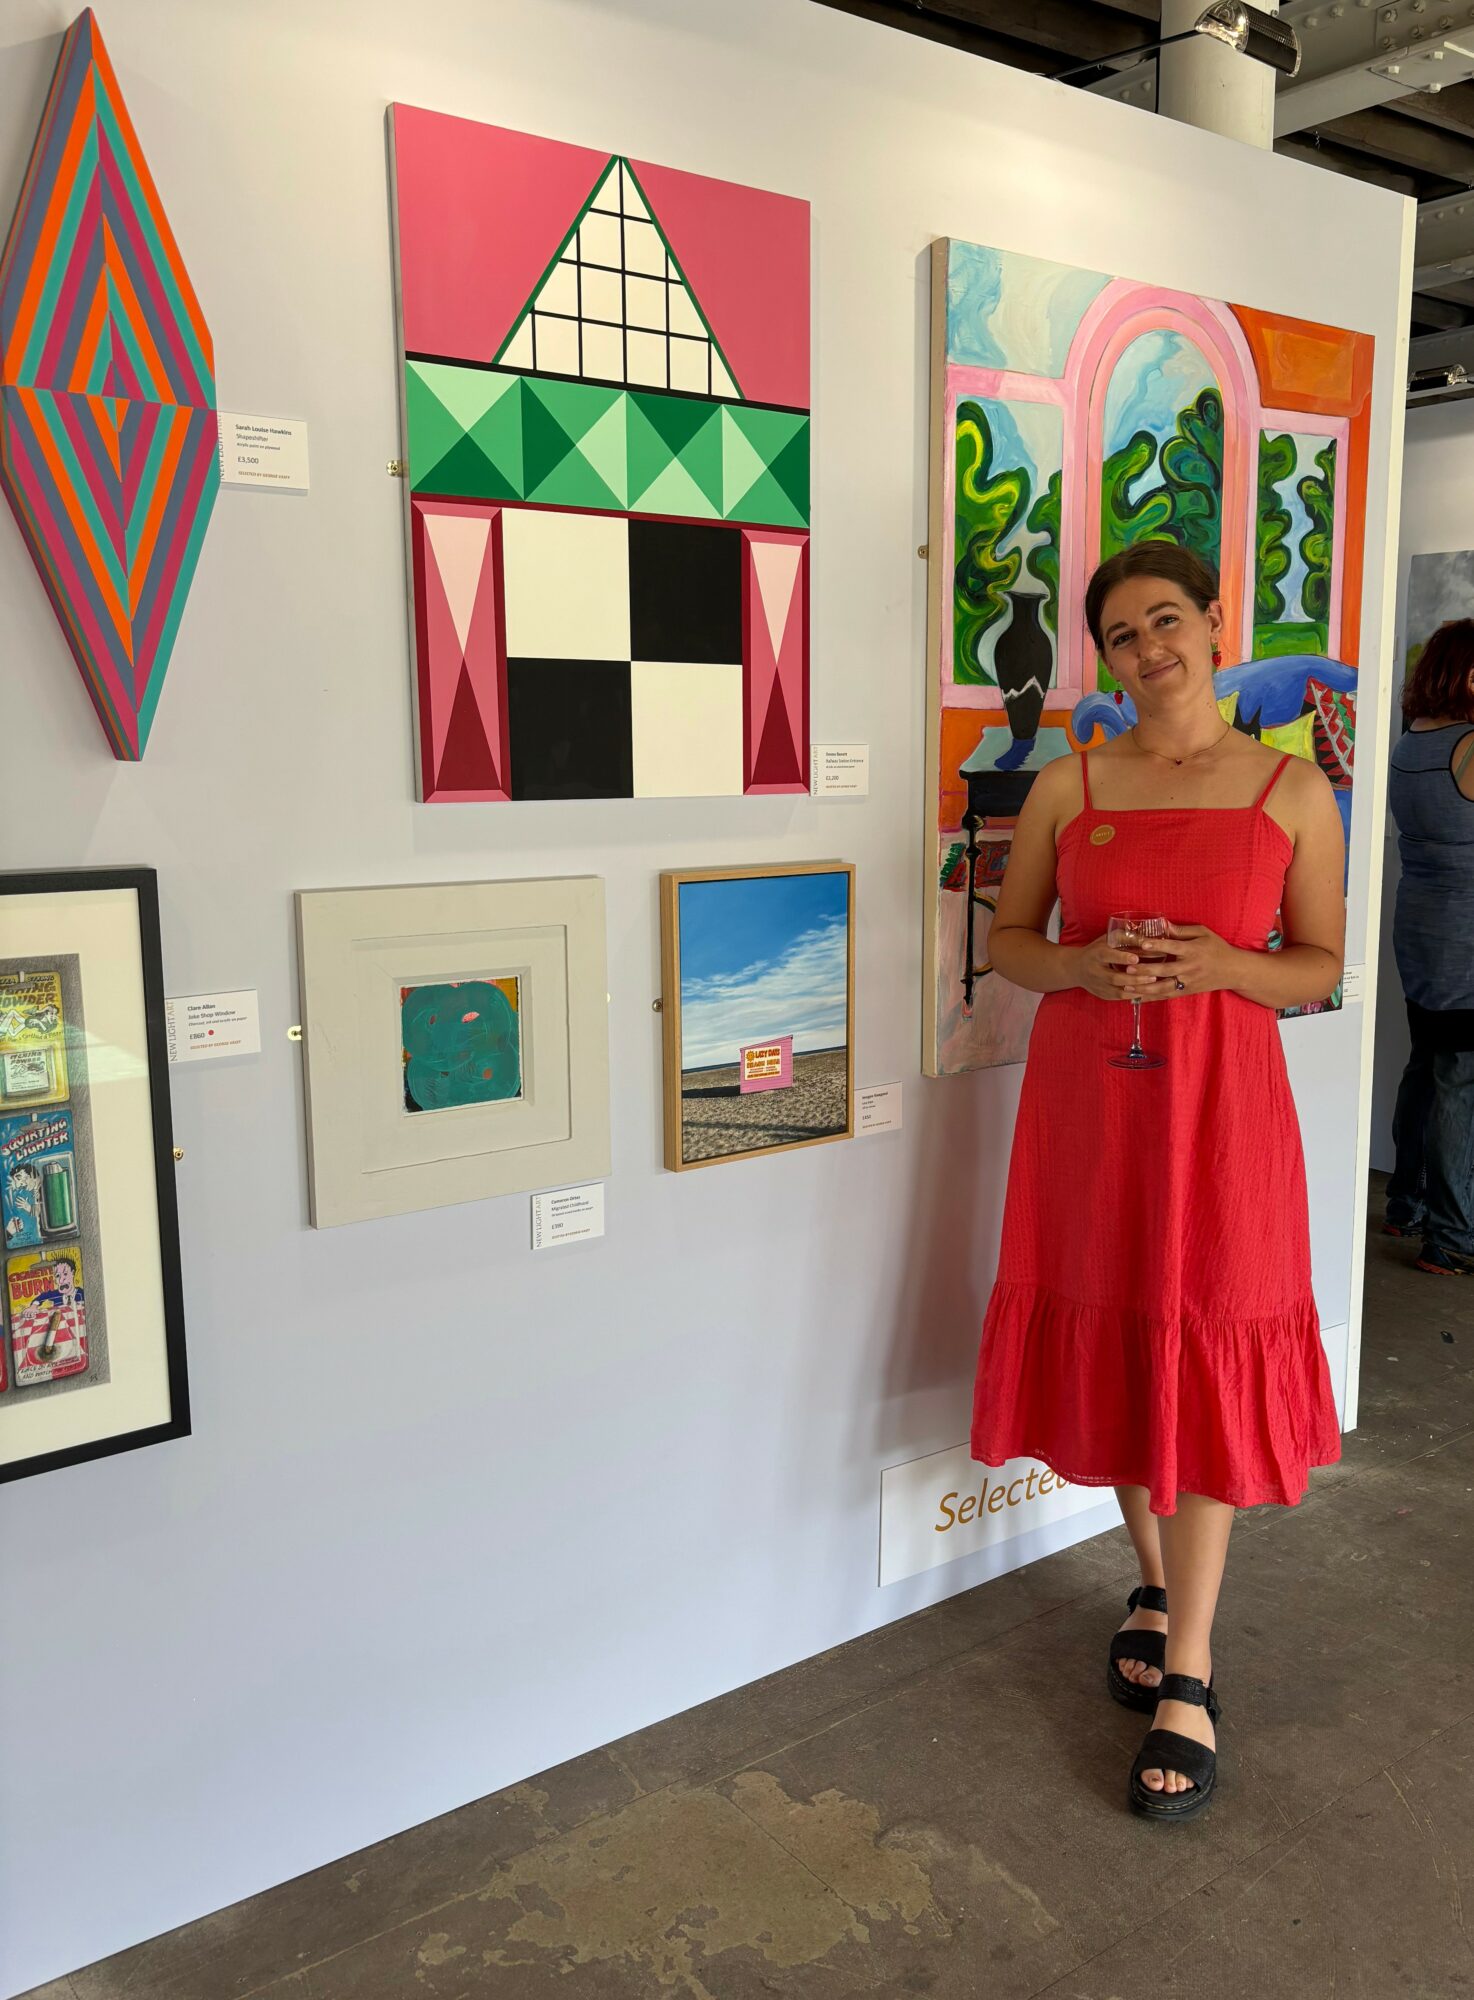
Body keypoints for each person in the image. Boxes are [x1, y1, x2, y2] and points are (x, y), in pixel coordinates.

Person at [970, 543, 1346, 1822]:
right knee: (1129, 1325)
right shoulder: (1067, 784)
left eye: (1166, 619)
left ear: (1215, 622)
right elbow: (1010, 940)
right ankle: (1151, 1573)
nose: (1148, 649)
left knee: (1208, 1333)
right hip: (1091, 1105)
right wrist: (1077, 968)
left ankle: (1189, 1671)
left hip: (1225, 1113)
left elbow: (1319, 964)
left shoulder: (1291, 789)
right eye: (1123, 634)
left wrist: (1225, 964)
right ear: (1106, 657)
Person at [1384, 619, 1474, 1277]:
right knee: (1459, 1078)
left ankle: (1405, 1202)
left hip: (1420, 923)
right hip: (1464, 934)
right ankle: (1453, 1235)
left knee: (1429, 1063)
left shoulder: (1411, 736)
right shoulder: (1469, 744)